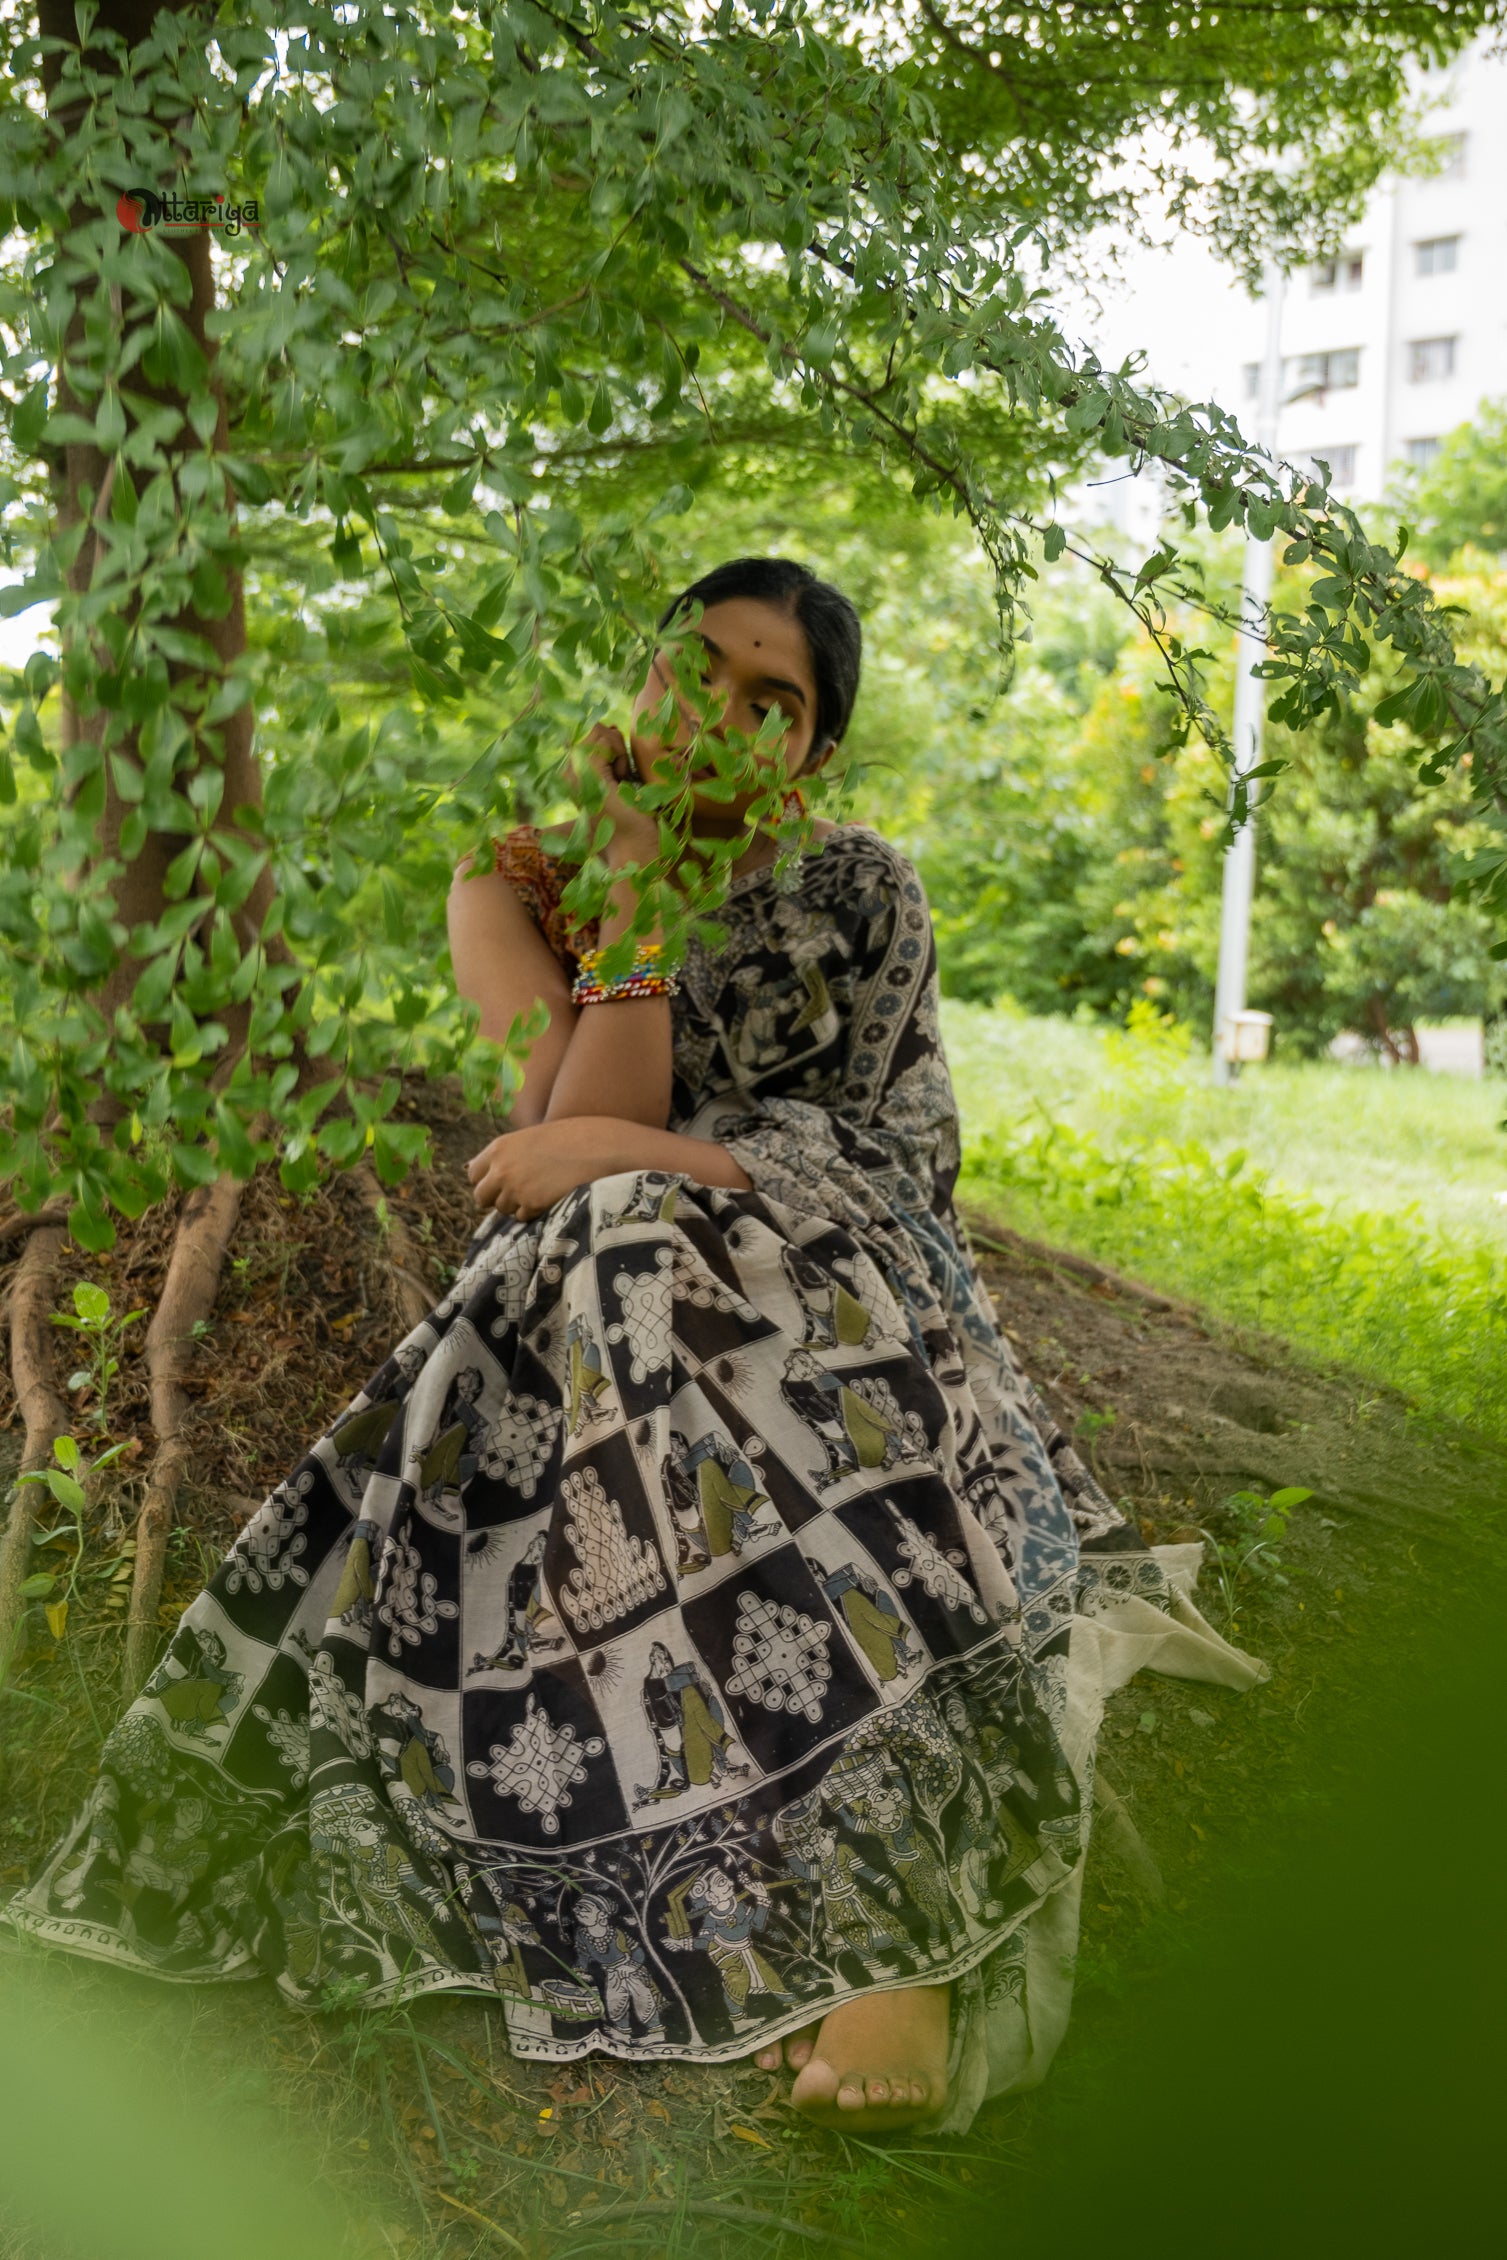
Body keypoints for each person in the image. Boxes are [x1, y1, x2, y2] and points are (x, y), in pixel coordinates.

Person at [1, 556, 1260, 2134]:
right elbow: (555, 1127)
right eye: (700, 676)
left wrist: (650, 1166)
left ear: (813, 752)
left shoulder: (864, 887)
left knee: (638, 1223)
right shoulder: (512, 879)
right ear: (642, 676)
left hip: (832, 1257)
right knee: (612, 1239)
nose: (724, 718)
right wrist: (641, 886)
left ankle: (904, 1943)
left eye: (772, 702)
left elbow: (900, 1157)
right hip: (584, 1288)